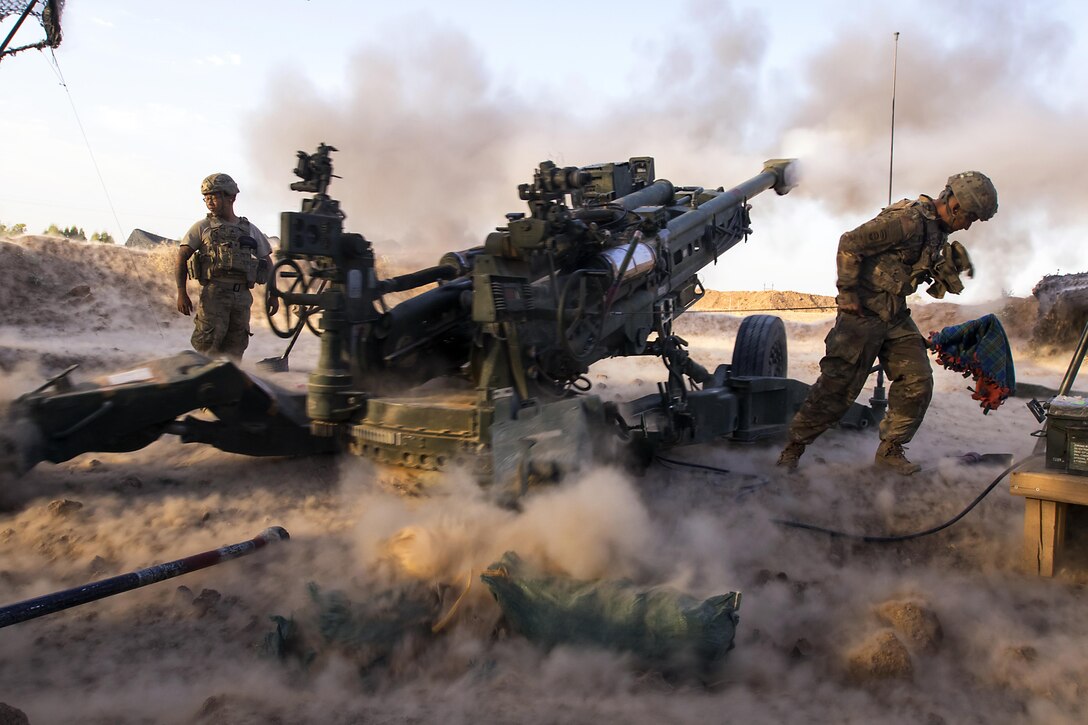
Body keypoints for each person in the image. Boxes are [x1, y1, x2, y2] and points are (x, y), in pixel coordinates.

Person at [777, 171, 998, 474]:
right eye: (970, 217)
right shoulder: (907, 220)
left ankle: (890, 450)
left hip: (895, 316)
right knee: (837, 390)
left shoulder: (937, 231)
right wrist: (847, 292)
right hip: (862, 316)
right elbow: (851, 242)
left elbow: (905, 268)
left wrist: (940, 270)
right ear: (956, 204)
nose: (969, 224)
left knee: (918, 380)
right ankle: (792, 450)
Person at [175, 173, 277, 360]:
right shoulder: (203, 227)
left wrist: (274, 295)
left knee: (236, 348)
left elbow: (268, 262)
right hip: (215, 294)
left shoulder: (250, 229)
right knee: (208, 346)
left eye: (214, 196)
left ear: (231, 197)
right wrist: (182, 292)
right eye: (206, 198)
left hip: (242, 297)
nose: (209, 202)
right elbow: (181, 256)